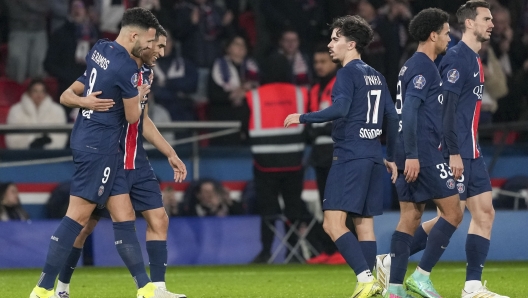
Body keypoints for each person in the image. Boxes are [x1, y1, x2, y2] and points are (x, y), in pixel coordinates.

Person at [29, 8, 165, 298]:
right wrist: (139, 95)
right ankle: (42, 289)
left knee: (124, 214)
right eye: (150, 40)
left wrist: (83, 102)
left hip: (97, 144)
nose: (151, 46)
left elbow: (72, 92)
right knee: (77, 219)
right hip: (99, 147)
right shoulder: (128, 70)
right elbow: (132, 118)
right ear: (133, 35)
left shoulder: (100, 48)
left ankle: (145, 288)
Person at [56, 26, 187, 298]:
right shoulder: (111, 70)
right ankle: (61, 287)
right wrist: (85, 102)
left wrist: (170, 152)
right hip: (109, 158)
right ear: (144, 43)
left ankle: (156, 289)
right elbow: (68, 95)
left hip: (136, 160)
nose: (161, 52)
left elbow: (143, 120)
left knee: (159, 218)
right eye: (158, 46)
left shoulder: (147, 74)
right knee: (86, 226)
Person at [284, 15, 398, 298]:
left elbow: (341, 109)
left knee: (332, 224)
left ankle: (366, 279)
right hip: (373, 156)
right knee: (364, 224)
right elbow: (393, 117)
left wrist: (303, 117)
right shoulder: (377, 75)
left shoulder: (347, 73)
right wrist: (392, 156)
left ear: (352, 44)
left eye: (335, 39)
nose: (330, 44)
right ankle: (376, 285)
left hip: (350, 155)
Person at [399, 2, 507, 297]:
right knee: (452, 214)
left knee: (484, 213)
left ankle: (472, 286)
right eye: (486, 19)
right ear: (469, 23)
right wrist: (453, 150)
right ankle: (402, 264)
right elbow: (445, 107)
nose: (492, 24)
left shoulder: (474, 58)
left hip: (471, 150)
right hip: (455, 150)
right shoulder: (458, 58)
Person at [374, 8, 463, 298]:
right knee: (453, 213)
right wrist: (413, 155)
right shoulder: (423, 67)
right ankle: (421, 277)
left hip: (406, 151)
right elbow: (409, 111)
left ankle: (395, 288)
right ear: (433, 34)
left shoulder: (409, 65)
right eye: (447, 32)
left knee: (410, 218)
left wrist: (400, 153)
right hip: (422, 152)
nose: (450, 38)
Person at [304, 44, 346, 265]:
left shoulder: (340, 83)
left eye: (323, 61)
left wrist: (318, 126)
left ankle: (344, 249)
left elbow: (341, 118)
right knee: (325, 204)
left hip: (337, 151)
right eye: (316, 63)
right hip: (320, 154)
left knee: (340, 203)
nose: (319, 66)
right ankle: (329, 249)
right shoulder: (314, 89)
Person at [207, 35, 259, 145]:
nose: (241, 47)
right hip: (225, 113)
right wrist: (233, 95)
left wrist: (245, 92)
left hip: (248, 115)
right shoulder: (217, 66)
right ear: (228, 48)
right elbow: (213, 94)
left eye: (243, 45)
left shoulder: (253, 67)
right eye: (237, 44)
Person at [6, 79, 68, 149]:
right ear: (29, 93)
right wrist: (30, 143)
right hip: (22, 154)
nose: (39, 94)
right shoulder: (16, 110)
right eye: (35, 91)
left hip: (50, 155)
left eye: (42, 91)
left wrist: (46, 144)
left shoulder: (57, 110)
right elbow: (12, 139)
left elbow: (61, 137)